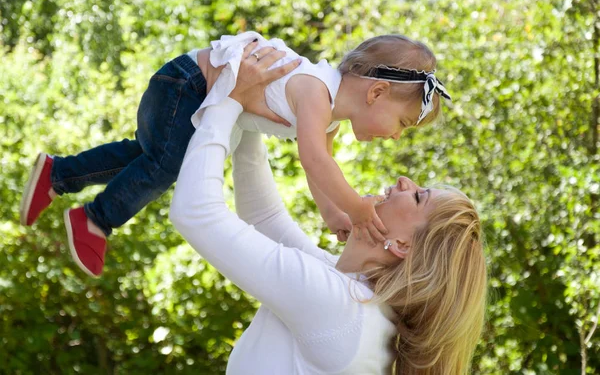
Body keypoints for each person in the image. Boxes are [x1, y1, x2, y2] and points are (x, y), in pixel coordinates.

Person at [20, 32, 450, 277]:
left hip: (189, 87)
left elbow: (322, 170)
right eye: (403, 125)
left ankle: (58, 174)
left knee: (148, 157)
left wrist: (333, 213)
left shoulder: (330, 118)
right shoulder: (315, 91)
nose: (396, 137)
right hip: (187, 83)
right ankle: (96, 218)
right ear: (376, 93)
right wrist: (356, 208)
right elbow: (314, 160)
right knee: (166, 164)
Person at [169, 53, 487, 374]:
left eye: (419, 197)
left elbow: (197, 214)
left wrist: (228, 99)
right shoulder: (356, 303)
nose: (406, 181)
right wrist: (252, 105)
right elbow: (263, 218)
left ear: (403, 245)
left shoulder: (338, 307)